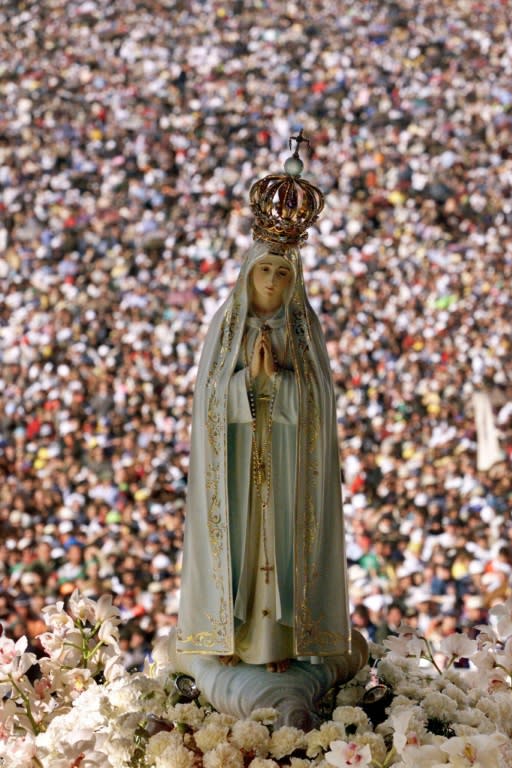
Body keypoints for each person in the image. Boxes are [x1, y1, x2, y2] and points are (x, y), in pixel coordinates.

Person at [177, 137, 351, 671]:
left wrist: (281, 383)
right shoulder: (227, 327)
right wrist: (244, 383)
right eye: (265, 271)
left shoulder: (303, 328)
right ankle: (229, 634)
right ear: (248, 274)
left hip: (286, 459)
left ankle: (280, 641)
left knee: (280, 544)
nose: (273, 282)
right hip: (237, 458)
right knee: (241, 542)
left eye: (283, 274)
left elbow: (320, 400)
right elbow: (208, 400)